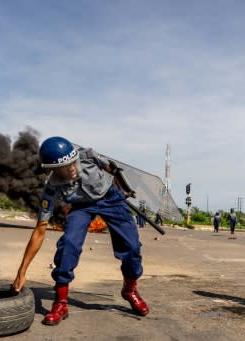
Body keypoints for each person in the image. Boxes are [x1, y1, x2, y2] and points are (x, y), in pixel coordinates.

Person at [11, 136, 149, 326]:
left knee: (132, 247)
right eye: (64, 167)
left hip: (110, 198)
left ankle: (129, 289)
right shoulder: (51, 189)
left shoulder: (89, 156)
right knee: (69, 244)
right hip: (81, 207)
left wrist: (125, 189)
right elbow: (39, 230)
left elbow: (112, 169)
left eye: (73, 162)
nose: (73, 168)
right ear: (52, 170)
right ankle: (61, 303)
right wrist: (21, 272)